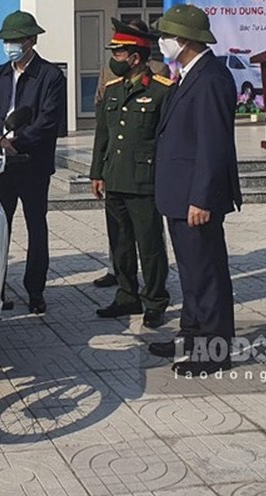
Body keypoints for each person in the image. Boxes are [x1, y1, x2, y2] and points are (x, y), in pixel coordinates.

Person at [149, 4, 241, 375]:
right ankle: (191, 332)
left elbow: (213, 145)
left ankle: (214, 349)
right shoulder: (189, 74)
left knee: (206, 273)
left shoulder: (210, 79)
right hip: (178, 193)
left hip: (194, 197)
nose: (162, 42)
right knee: (190, 270)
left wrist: (201, 197)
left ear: (184, 39)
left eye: (166, 35)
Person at [0, 10, 67, 315]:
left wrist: (18, 141)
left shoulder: (50, 76)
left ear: (31, 40)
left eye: (15, 40)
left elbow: (48, 120)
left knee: (36, 227)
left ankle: (35, 290)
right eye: (6, 40)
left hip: (33, 162)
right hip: (3, 161)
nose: (10, 45)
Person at [89, 23, 173, 325]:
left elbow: (168, 140)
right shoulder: (113, 90)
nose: (115, 57)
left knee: (149, 245)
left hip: (144, 180)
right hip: (115, 178)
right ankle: (127, 296)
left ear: (135, 57)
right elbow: (103, 136)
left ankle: (155, 300)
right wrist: (97, 173)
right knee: (120, 243)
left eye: (120, 52)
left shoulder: (162, 90)